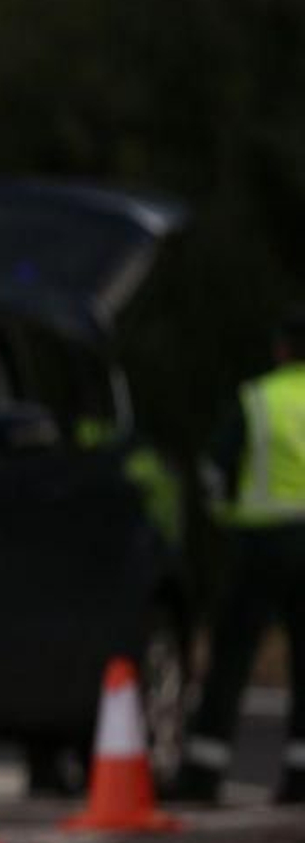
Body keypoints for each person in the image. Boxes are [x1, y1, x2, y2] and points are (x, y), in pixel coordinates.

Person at [174, 310, 305, 804]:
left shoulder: (260, 399)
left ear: (282, 350)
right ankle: (299, 777)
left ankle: (203, 773)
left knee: (232, 654)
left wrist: (226, 514)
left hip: (264, 543)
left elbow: (212, 471)